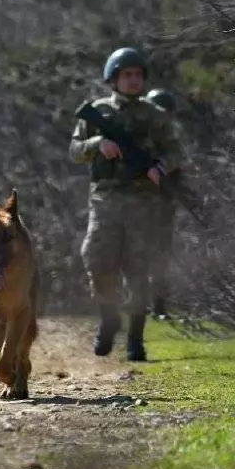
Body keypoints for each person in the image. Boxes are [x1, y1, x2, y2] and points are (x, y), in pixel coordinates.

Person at [69, 47, 181, 362]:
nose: (133, 81)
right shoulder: (97, 111)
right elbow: (75, 150)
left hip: (144, 202)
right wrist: (97, 145)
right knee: (97, 260)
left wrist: (160, 168)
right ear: (114, 78)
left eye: (137, 75)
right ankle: (109, 317)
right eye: (126, 75)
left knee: (138, 270)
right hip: (105, 199)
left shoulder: (155, 115)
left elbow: (175, 151)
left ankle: (135, 338)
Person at [143, 87, 181, 320]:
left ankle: (158, 306)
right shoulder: (140, 138)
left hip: (163, 207)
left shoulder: (171, 142)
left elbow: (179, 167)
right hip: (136, 205)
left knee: (160, 258)